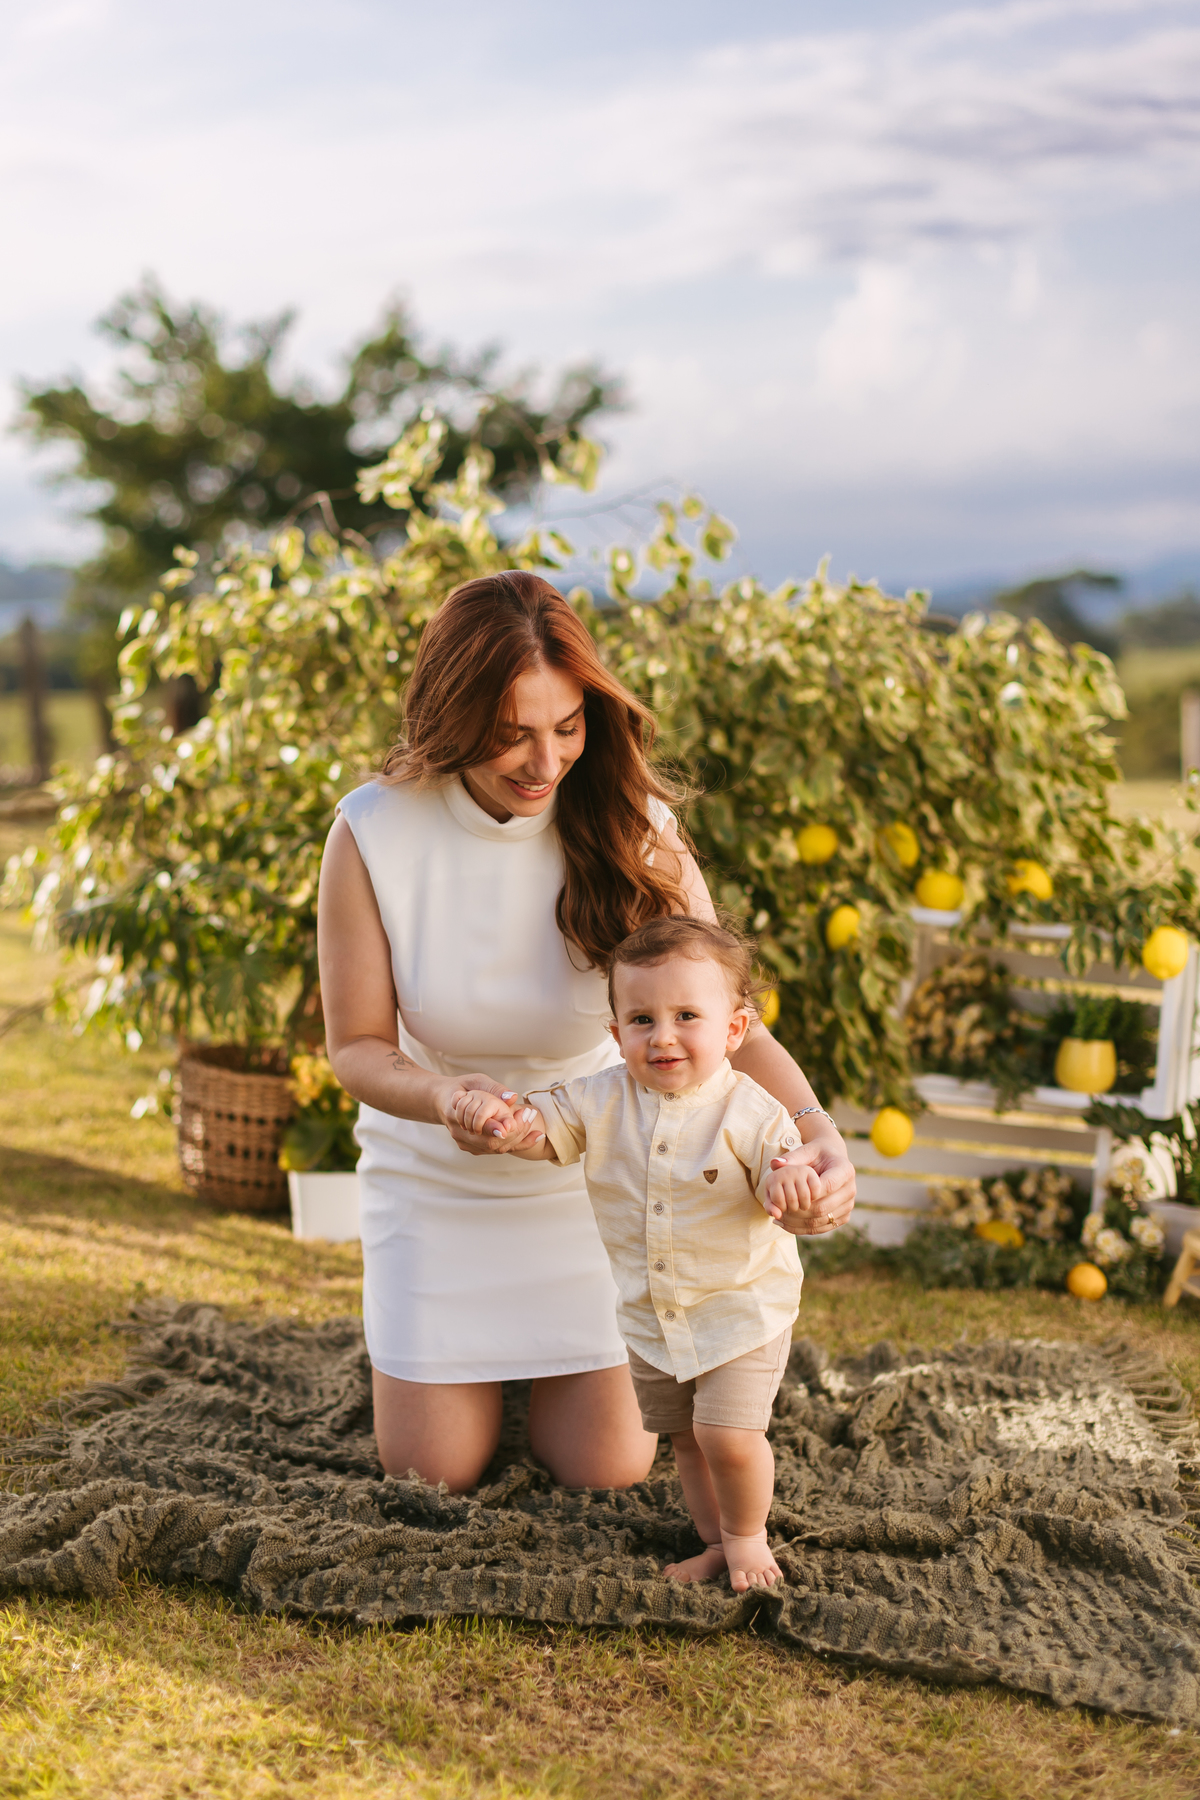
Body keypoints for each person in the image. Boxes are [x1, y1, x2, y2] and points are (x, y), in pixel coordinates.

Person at [317, 569, 856, 1494]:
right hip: (435, 1178)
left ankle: (540, 1374)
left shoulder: (633, 823)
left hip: (608, 1182)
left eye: (566, 727)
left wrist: (819, 1134)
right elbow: (357, 1046)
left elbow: (729, 1024)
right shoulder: (372, 832)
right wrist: (444, 1098)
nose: (545, 762)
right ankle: (453, 1373)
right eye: (510, 734)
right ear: (452, 719)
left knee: (605, 1468)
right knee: (430, 1471)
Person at [451, 915, 818, 1591]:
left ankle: (747, 1539)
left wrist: (790, 1182)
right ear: (616, 1034)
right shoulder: (600, 1098)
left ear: (733, 1029)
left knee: (728, 1436)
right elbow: (544, 1128)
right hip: (655, 1320)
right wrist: (505, 1123)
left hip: (742, 1312)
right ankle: (714, 1540)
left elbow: (784, 1165)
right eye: (642, 1019)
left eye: (687, 1016)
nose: (663, 1036)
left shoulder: (751, 1111)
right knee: (687, 1442)